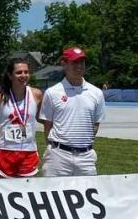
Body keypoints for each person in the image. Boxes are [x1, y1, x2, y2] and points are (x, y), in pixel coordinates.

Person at [40, 46, 105, 177]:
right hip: (58, 156)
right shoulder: (52, 93)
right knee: (54, 194)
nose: (79, 66)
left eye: (82, 62)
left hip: (86, 157)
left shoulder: (96, 93)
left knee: (88, 194)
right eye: (74, 62)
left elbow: (95, 125)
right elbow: (48, 126)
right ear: (64, 64)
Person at [0, 58, 42, 178]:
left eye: (26, 72)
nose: (23, 75)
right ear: (10, 76)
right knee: (4, 193)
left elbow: (42, 118)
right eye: (19, 72)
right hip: (6, 151)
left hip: (28, 151)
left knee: (28, 193)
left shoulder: (36, 94)